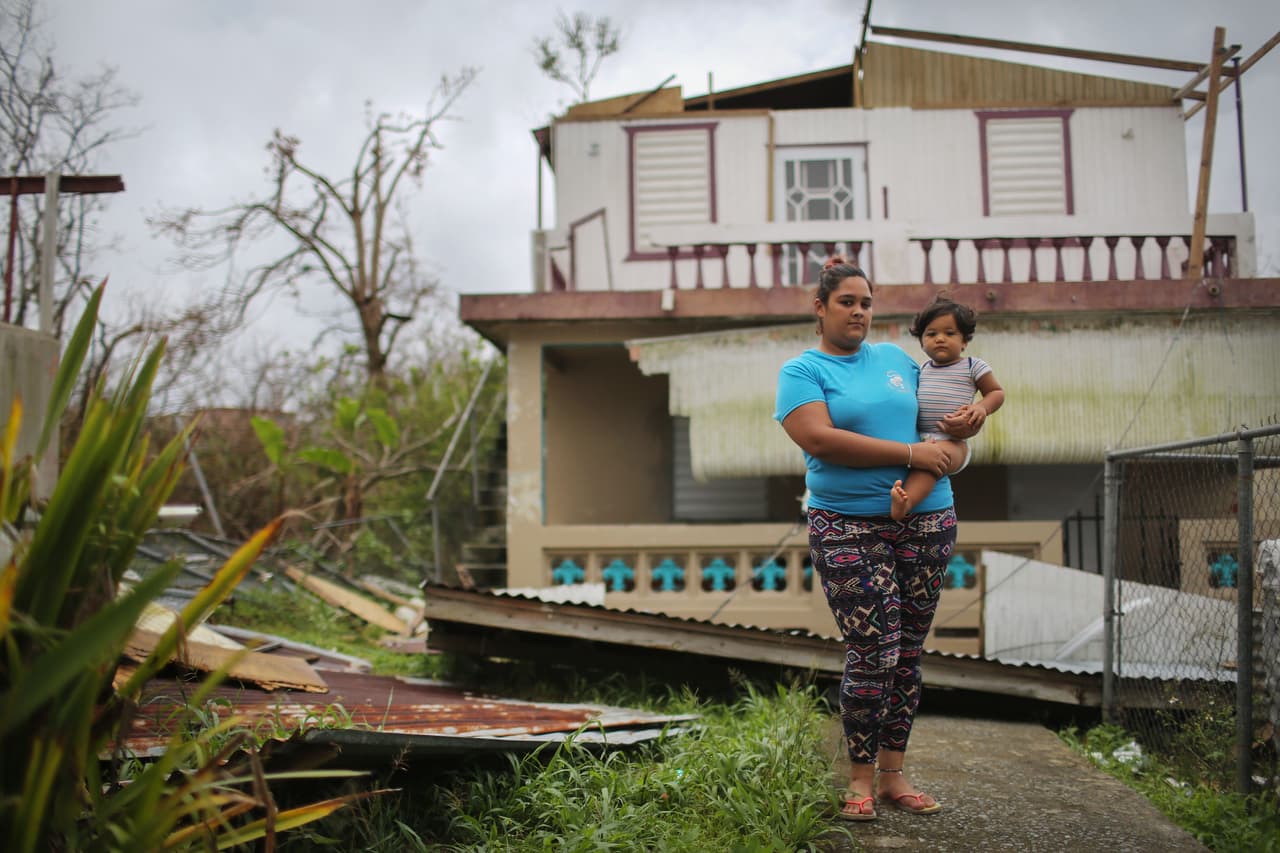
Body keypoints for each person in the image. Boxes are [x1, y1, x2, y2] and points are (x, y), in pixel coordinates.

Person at [773, 257, 973, 822]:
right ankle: (859, 777)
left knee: (908, 653)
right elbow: (820, 439)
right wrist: (910, 454)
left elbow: (941, 426)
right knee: (872, 650)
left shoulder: (894, 359)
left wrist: (964, 435)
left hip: (928, 519)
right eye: (846, 302)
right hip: (846, 525)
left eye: (866, 302)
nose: (859, 312)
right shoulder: (803, 371)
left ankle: (893, 775)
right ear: (820, 307)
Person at [890, 295, 1005, 521]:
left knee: (934, 461)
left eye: (949, 333)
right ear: (922, 342)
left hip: (952, 442)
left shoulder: (973, 366)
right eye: (931, 334)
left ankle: (907, 502)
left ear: (964, 341)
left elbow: (996, 393)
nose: (940, 339)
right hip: (920, 439)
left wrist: (981, 408)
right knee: (921, 456)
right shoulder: (922, 369)